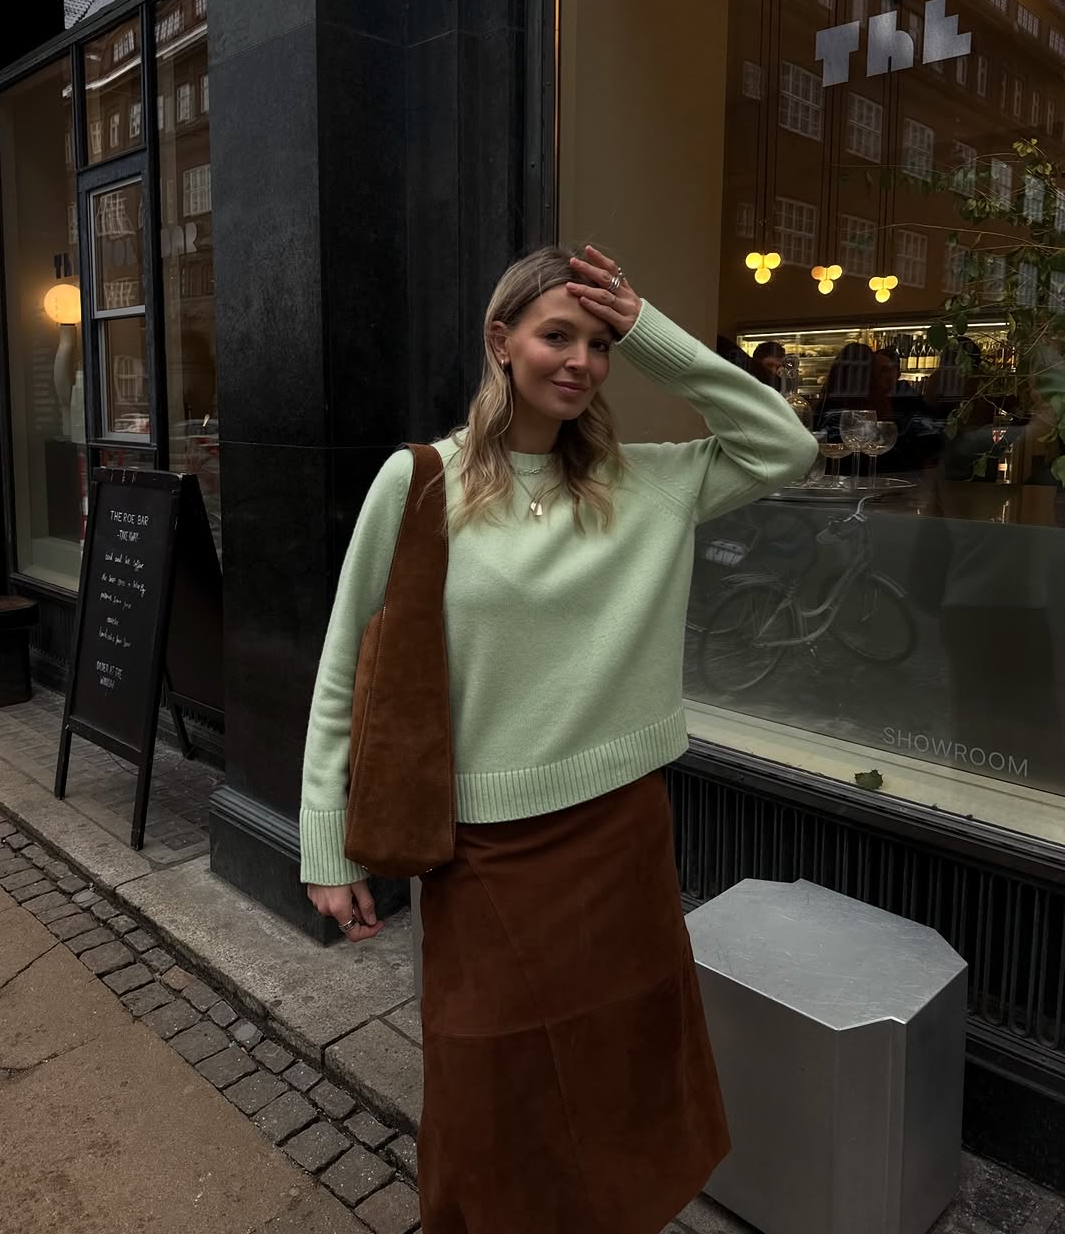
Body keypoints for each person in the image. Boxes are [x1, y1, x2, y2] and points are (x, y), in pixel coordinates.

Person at [299, 244, 819, 1233]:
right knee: (486, 1098)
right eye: (556, 336)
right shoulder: (419, 484)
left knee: (624, 1085)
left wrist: (651, 329)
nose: (580, 360)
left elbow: (783, 447)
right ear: (502, 342)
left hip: (621, 838)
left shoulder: (646, 486)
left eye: (599, 342)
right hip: (483, 854)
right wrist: (326, 842)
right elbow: (342, 671)